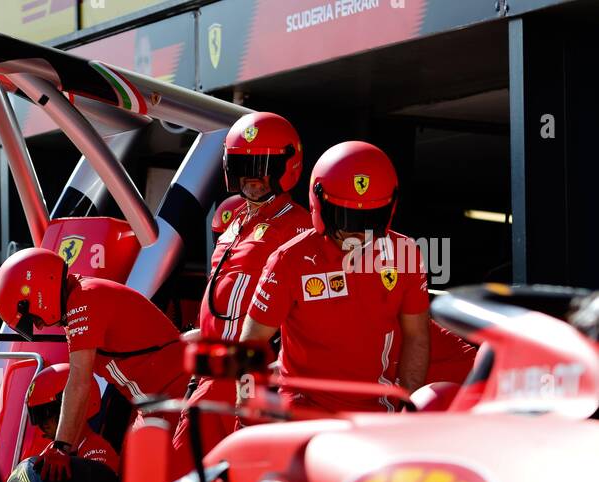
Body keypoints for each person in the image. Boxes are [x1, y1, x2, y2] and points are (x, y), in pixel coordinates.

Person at [240, 142, 430, 412]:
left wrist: (408, 408)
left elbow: (417, 336)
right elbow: (252, 342)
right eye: (346, 217)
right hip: (302, 412)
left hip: (376, 413)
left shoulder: (405, 254)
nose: (357, 232)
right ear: (320, 205)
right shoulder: (289, 260)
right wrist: (246, 406)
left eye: (369, 219)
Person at [174, 112, 314, 456]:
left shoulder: (304, 228)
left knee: (223, 478)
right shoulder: (233, 219)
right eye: (242, 165)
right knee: (181, 475)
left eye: (264, 165)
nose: (253, 177)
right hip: (208, 375)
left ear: (287, 166)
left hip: (252, 377)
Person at [0, 246, 189, 481]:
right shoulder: (81, 299)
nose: (41, 326)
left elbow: (78, 382)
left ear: (39, 293)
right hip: (155, 405)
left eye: (33, 318)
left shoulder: (85, 299)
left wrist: (61, 447)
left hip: (179, 398)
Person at [22, 363, 118, 474]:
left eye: (48, 414)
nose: (44, 424)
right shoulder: (50, 451)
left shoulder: (98, 453)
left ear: (71, 408)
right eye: (38, 416)